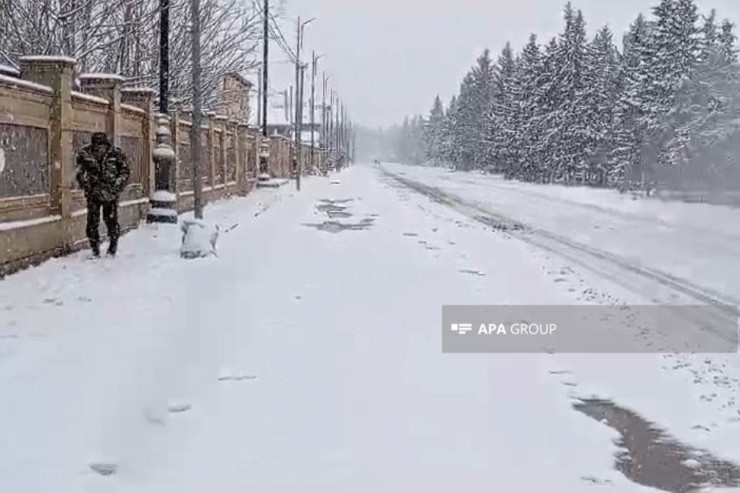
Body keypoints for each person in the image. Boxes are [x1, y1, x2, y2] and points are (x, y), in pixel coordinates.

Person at [76, 132, 130, 258]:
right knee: (92, 223)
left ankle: (112, 247)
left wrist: (117, 184)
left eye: (101, 145)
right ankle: (95, 249)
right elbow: (79, 171)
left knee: (111, 221)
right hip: (93, 193)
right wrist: (85, 184)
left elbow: (125, 171)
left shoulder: (116, 154)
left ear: (105, 145)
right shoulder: (85, 154)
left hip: (110, 194)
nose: (98, 148)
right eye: (96, 145)